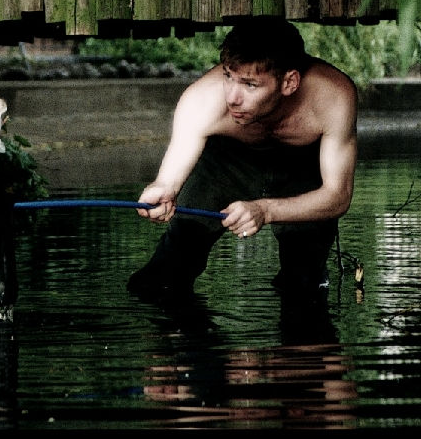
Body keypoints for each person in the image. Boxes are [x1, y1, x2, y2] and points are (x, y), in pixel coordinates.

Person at [127, 16, 358, 302]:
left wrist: (265, 210)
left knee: (304, 283)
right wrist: (161, 191)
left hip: (301, 169)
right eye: (228, 76)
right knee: (165, 273)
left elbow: (338, 196)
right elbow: (167, 182)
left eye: (250, 85)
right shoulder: (202, 99)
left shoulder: (333, 97)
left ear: (289, 82)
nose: (232, 97)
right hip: (223, 165)